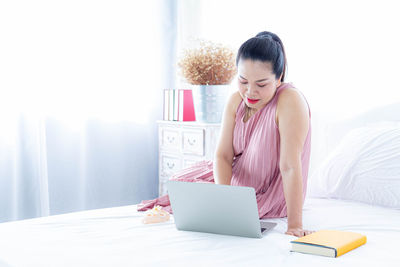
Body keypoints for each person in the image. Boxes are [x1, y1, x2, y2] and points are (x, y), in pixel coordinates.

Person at [138, 31, 313, 237]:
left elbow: (290, 166)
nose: (250, 92)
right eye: (243, 80)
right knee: (179, 183)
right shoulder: (235, 101)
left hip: (271, 192)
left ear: (279, 76)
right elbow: (222, 156)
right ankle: (226, 202)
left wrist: (294, 225)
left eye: (261, 84)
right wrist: (226, 202)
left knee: (196, 201)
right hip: (238, 185)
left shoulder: (290, 100)